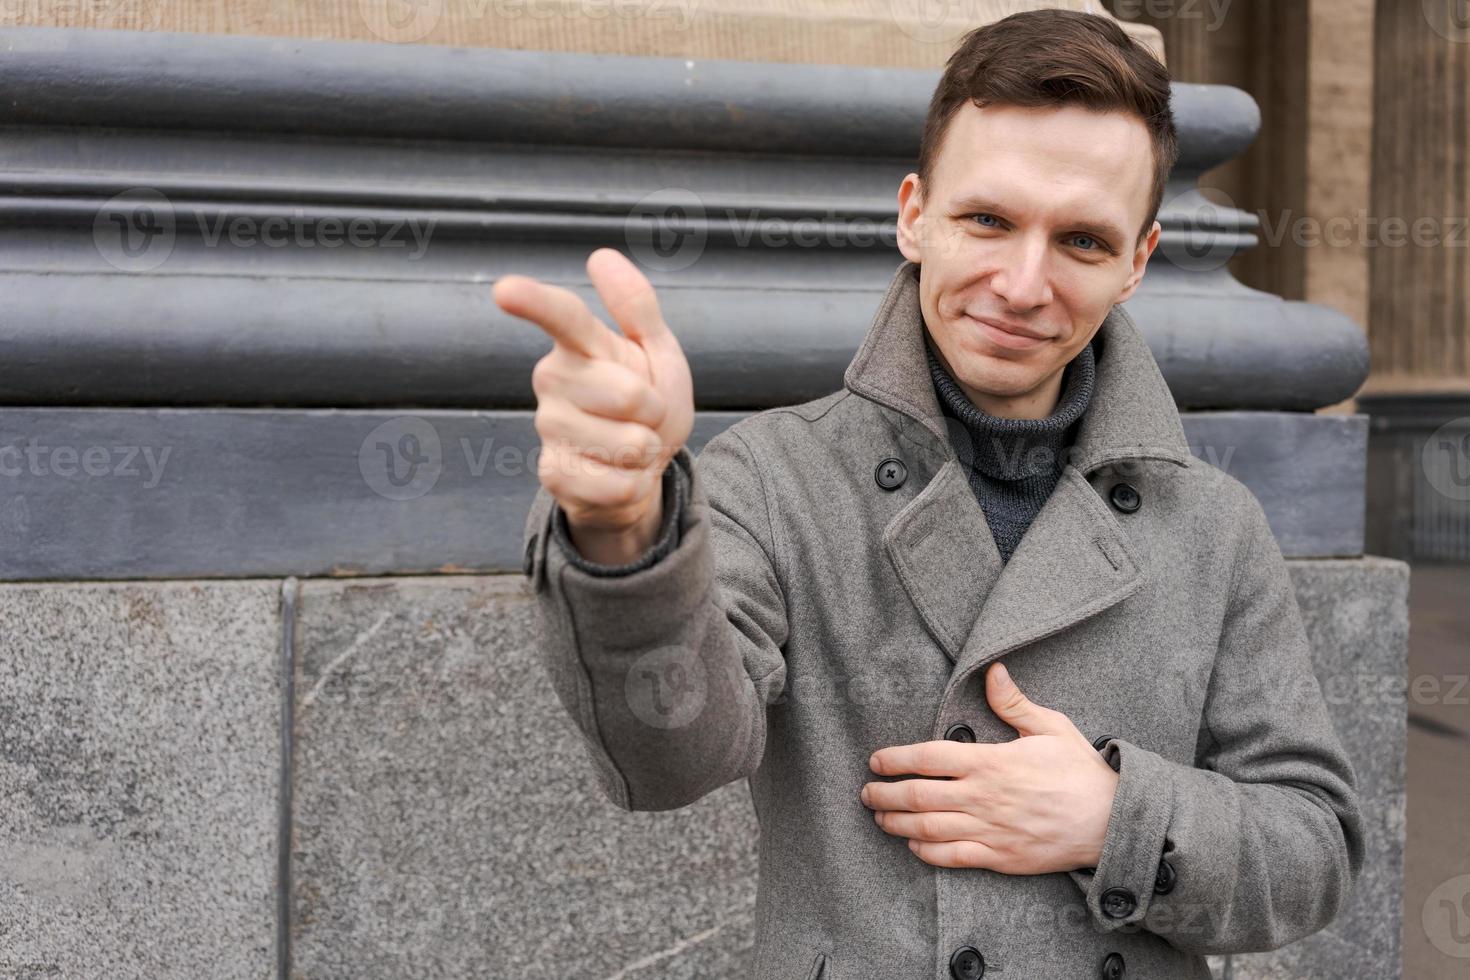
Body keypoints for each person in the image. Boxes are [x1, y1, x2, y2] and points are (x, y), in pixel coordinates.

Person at [492, 9, 1363, 979]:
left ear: (1137, 260)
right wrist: (626, 528)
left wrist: (1113, 817)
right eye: (987, 219)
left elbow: (1315, 847)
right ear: (915, 213)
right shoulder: (774, 477)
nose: (1022, 282)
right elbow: (669, 760)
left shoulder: (1213, 524)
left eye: (1080, 239)